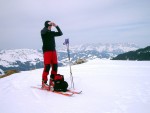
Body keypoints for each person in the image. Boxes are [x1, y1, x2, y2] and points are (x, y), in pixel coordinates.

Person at [41, 20, 63, 89]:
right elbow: (44, 31)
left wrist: (56, 26)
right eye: (49, 26)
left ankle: (52, 81)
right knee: (47, 67)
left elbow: (60, 33)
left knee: (55, 66)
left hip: (53, 51)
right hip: (47, 52)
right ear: (46, 25)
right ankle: (44, 83)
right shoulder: (43, 32)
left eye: (51, 26)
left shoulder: (52, 33)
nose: (51, 27)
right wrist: (48, 25)